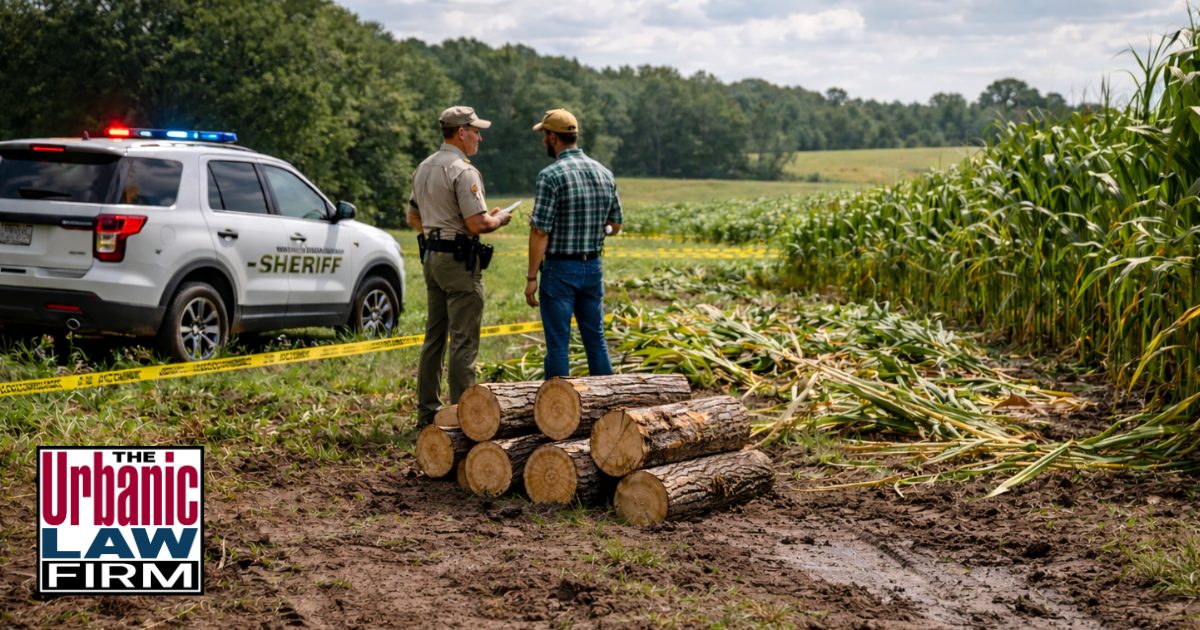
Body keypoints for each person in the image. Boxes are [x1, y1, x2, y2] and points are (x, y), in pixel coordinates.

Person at [408, 106, 512, 426]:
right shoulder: (463, 171)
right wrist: (499, 218)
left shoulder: (424, 167)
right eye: (476, 131)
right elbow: (478, 223)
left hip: (431, 258)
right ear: (461, 132)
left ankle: (427, 416)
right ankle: (463, 422)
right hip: (457, 264)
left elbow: (413, 218)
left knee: (434, 339)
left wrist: (440, 233)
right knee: (464, 342)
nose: (480, 137)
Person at [524, 108, 623, 379]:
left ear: (553, 137)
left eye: (544, 135)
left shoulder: (550, 175)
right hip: (592, 267)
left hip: (559, 271)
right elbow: (615, 225)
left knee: (557, 347)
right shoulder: (604, 173)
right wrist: (596, 228)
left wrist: (532, 277)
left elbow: (540, 232)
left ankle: (555, 416)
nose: (543, 140)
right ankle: (607, 408)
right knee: (596, 343)